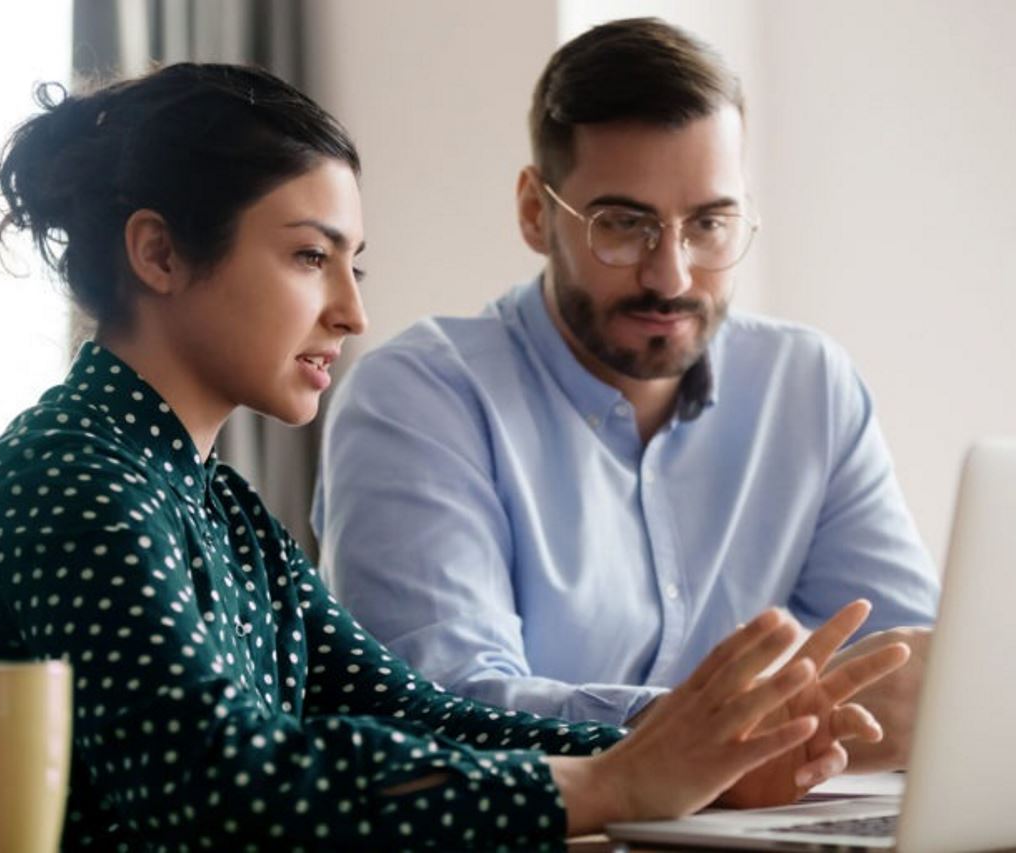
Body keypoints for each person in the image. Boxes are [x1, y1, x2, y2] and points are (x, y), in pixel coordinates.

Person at [0, 62, 909, 851]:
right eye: (309, 256)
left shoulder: (217, 506)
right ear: (159, 254)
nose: (352, 310)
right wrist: (612, 783)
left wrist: (693, 755)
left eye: (354, 263)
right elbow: (218, 795)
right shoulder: (74, 478)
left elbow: (414, 714)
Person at [312, 17, 939, 772]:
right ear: (535, 212)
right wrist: (712, 731)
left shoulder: (807, 387)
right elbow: (445, 708)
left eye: (709, 224)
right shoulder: (416, 398)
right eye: (624, 224)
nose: (670, 275)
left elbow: (912, 676)